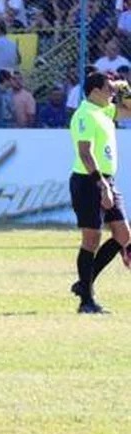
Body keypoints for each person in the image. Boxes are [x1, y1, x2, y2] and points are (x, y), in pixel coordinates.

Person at [68, 70, 131, 314]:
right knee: (91, 239)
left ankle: (85, 283)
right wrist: (100, 184)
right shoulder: (84, 114)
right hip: (88, 181)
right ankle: (86, 300)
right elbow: (85, 152)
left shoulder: (103, 110)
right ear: (95, 92)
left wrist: (125, 88)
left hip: (107, 180)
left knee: (123, 235)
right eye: (109, 89)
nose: (112, 93)